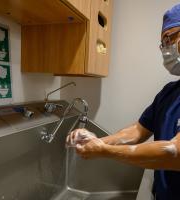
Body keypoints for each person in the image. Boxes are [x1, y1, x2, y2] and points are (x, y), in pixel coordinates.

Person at [66, 4, 180, 200]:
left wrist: (104, 150)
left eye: (170, 38)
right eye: (163, 42)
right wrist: (96, 141)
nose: (165, 48)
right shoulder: (169, 93)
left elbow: (174, 154)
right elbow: (138, 130)